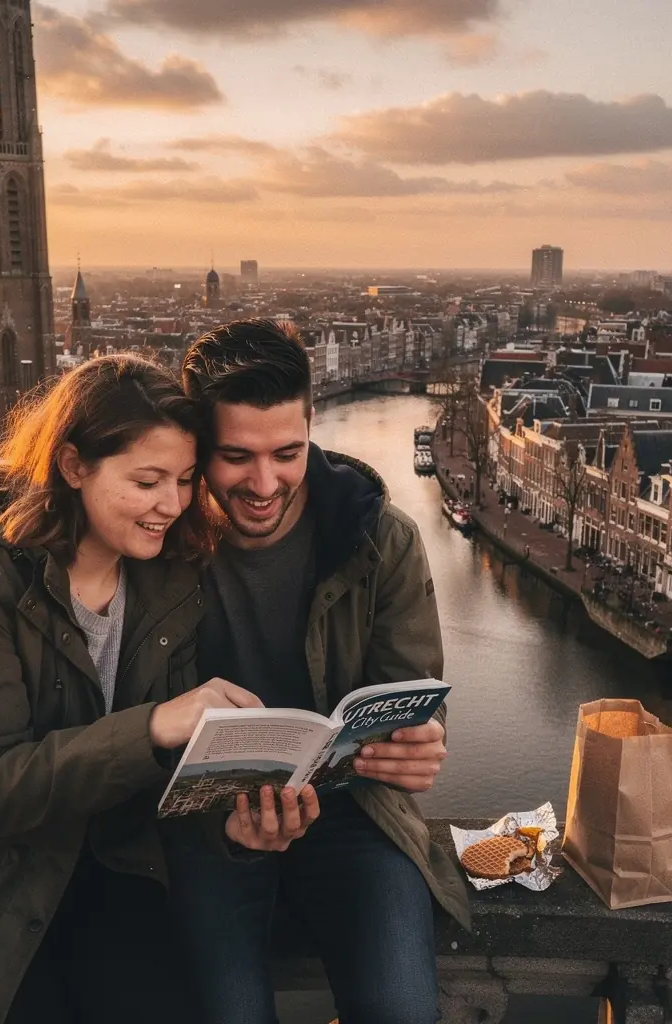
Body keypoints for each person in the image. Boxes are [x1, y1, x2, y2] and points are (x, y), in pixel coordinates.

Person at [0, 356, 301, 1024]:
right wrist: (156, 724)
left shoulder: (166, 575)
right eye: (148, 480)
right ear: (73, 467)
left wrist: (235, 823)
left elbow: (154, 784)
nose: (174, 503)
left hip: (100, 864)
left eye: (187, 480)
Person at [162, 319, 471, 1024]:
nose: (264, 484)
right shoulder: (158, 543)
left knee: (401, 1011)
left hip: (350, 813)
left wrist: (420, 744)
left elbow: (415, 693)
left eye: (287, 453)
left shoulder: (378, 537)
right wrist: (223, 828)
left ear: (312, 426)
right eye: (235, 456)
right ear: (197, 448)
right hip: (209, 825)